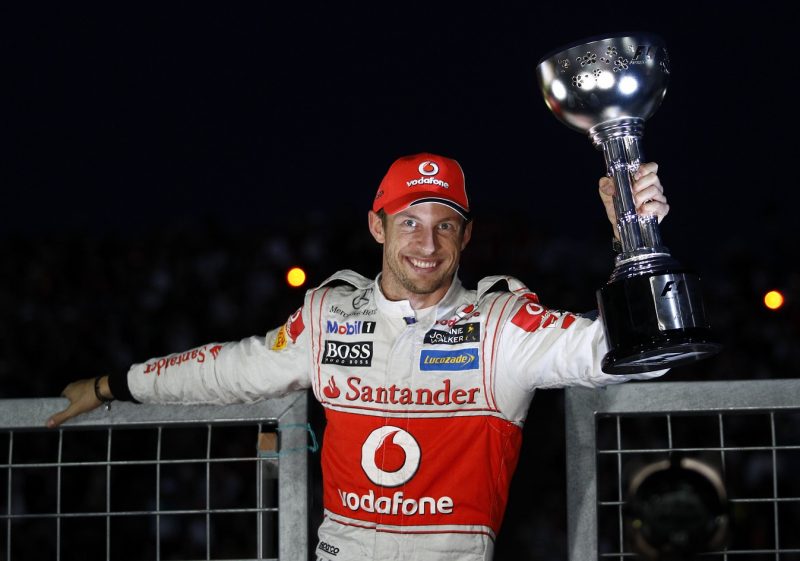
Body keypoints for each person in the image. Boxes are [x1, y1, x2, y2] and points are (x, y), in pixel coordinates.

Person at [48, 152, 670, 561]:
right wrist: (111, 384)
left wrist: (636, 240)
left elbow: (638, 355)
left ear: (466, 235)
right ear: (378, 226)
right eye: (410, 222)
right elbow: (227, 369)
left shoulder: (502, 324)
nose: (427, 243)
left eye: (445, 225)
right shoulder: (327, 314)